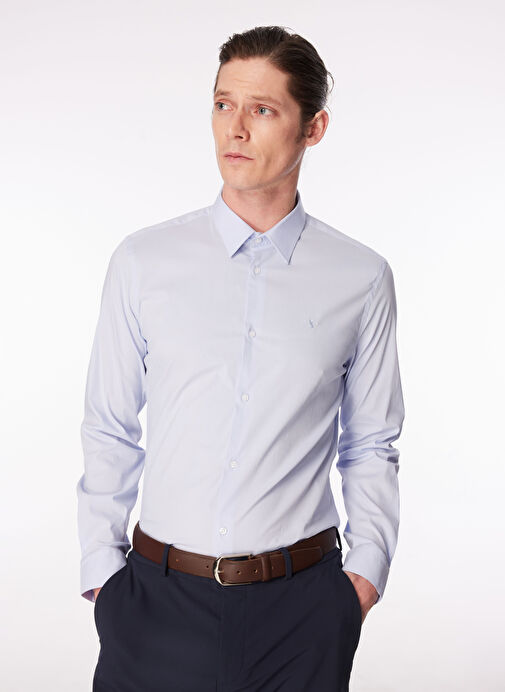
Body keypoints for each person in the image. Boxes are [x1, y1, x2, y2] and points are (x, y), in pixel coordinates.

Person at [76, 25, 405, 692]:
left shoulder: (361, 278)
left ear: (313, 128)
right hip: (155, 604)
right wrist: (102, 576)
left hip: (302, 613)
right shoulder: (143, 262)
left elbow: (371, 442)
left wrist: (362, 578)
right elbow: (109, 425)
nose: (235, 128)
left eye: (263, 109)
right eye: (223, 104)